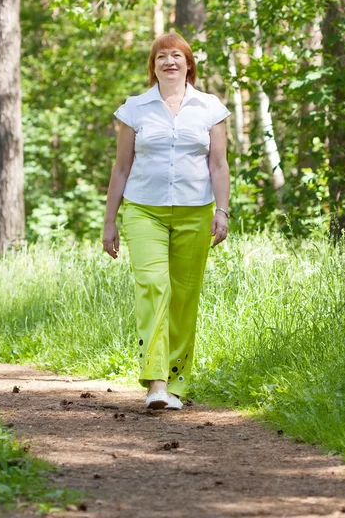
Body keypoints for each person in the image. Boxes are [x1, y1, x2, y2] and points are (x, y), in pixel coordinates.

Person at [102, 32, 230, 410]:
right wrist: (110, 221)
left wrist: (222, 211)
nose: (169, 62)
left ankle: (176, 383)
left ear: (188, 64)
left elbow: (219, 164)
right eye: (162, 57)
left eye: (177, 56)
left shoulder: (209, 108)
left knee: (184, 298)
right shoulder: (135, 108)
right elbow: (121, 166)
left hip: (195, 211)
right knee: (154, 287)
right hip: (144, 211)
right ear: (153, 66)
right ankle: (155, 384)